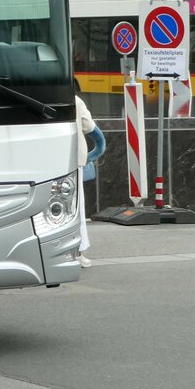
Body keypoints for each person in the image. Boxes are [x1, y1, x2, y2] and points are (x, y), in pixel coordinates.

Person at [74, 94, 107, 267]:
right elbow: (88, 126)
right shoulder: (74, 100)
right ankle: (77, 252)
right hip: (72, 161)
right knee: (76, 208)